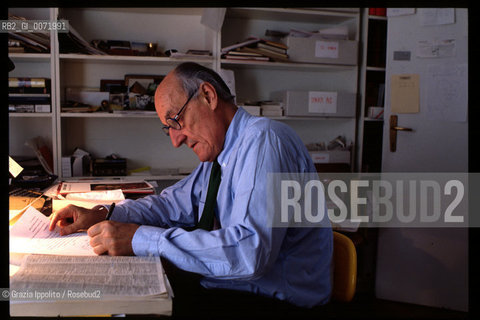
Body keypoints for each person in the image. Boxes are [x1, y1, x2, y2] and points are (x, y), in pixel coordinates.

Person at [49, 62, 333, 317]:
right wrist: (104, 214)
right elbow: (171, 206)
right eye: (168, 128)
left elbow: (249, 253)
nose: (175, 140)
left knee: (132, 306)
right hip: (234, 286)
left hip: (279, 303)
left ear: (208, 96)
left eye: (176, 121)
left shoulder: (264, 141)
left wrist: (141, 239)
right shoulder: (221, 153)